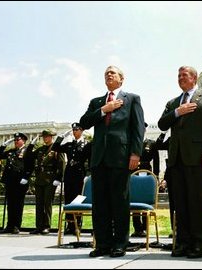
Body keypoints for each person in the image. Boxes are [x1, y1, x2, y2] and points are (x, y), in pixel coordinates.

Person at [80, 65, 145, 258]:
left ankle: (120, 243)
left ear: (121, 79)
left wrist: (135, 154)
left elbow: (138, 128)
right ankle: (103, 243)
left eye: (112, 73)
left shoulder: (132, 99)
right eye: (106, 73)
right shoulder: (97, 102)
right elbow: (84, 122)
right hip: (99, 158)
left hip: (121, 157)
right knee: (100, 204)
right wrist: (103, 110)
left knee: (119, 201)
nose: (109, 75)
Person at [158, 65, 202, 258]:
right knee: (180, 203)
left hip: (198, 157)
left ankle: (199, 245)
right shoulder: (173, 102)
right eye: (178, 75)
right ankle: (182, 242)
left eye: (184, 75)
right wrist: (178, 112)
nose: (180, 78)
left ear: (195, 78)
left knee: (198, 203)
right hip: (176, 159)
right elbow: (162, 124)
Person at [52, 122, 91, 235]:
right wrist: (61, 136)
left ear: (82, 130)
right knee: (68, 199)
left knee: (78, 200)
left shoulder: (87, 144)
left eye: (77, 130)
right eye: (73, 130)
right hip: (69, 174)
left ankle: (77, 225)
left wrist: (87, 174)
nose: (74, 132)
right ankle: (69, 225)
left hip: (80, 174)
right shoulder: (69, 144)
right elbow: (55, 148)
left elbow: (90, 160)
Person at [27, 129, 65, 235]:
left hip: (50, 179)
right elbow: (28, 155)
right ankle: (39, 226)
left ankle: (47, 226)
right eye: (44, 136)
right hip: (39, 179)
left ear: (51, 137)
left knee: (47, 204)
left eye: (47, 136)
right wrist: (32, 144)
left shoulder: (56, 149)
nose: (45, 138)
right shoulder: (41, 149)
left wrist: (58, 178)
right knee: (39, 204)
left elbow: (61, 164)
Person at [0, 132, 32, 234]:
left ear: (23, 141)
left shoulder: (27, 151)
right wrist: (4, 145)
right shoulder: (11, 151)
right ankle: (9, 225)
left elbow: (30, 165)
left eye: (18, 140)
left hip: (20, 182)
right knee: (10, 205)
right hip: (10, 181)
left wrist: (26, 177)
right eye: (15, 140)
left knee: (18, 205)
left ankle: (16, 226)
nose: (16, 141)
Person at [130, 123, 161, 238]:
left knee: (146, 200)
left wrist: (156, 176)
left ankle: (145, 227)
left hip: (147, 173)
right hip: (134, 173)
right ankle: (137, 228)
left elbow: (156, 160)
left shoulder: (150, 143)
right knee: (134, 199)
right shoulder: (131, 142)